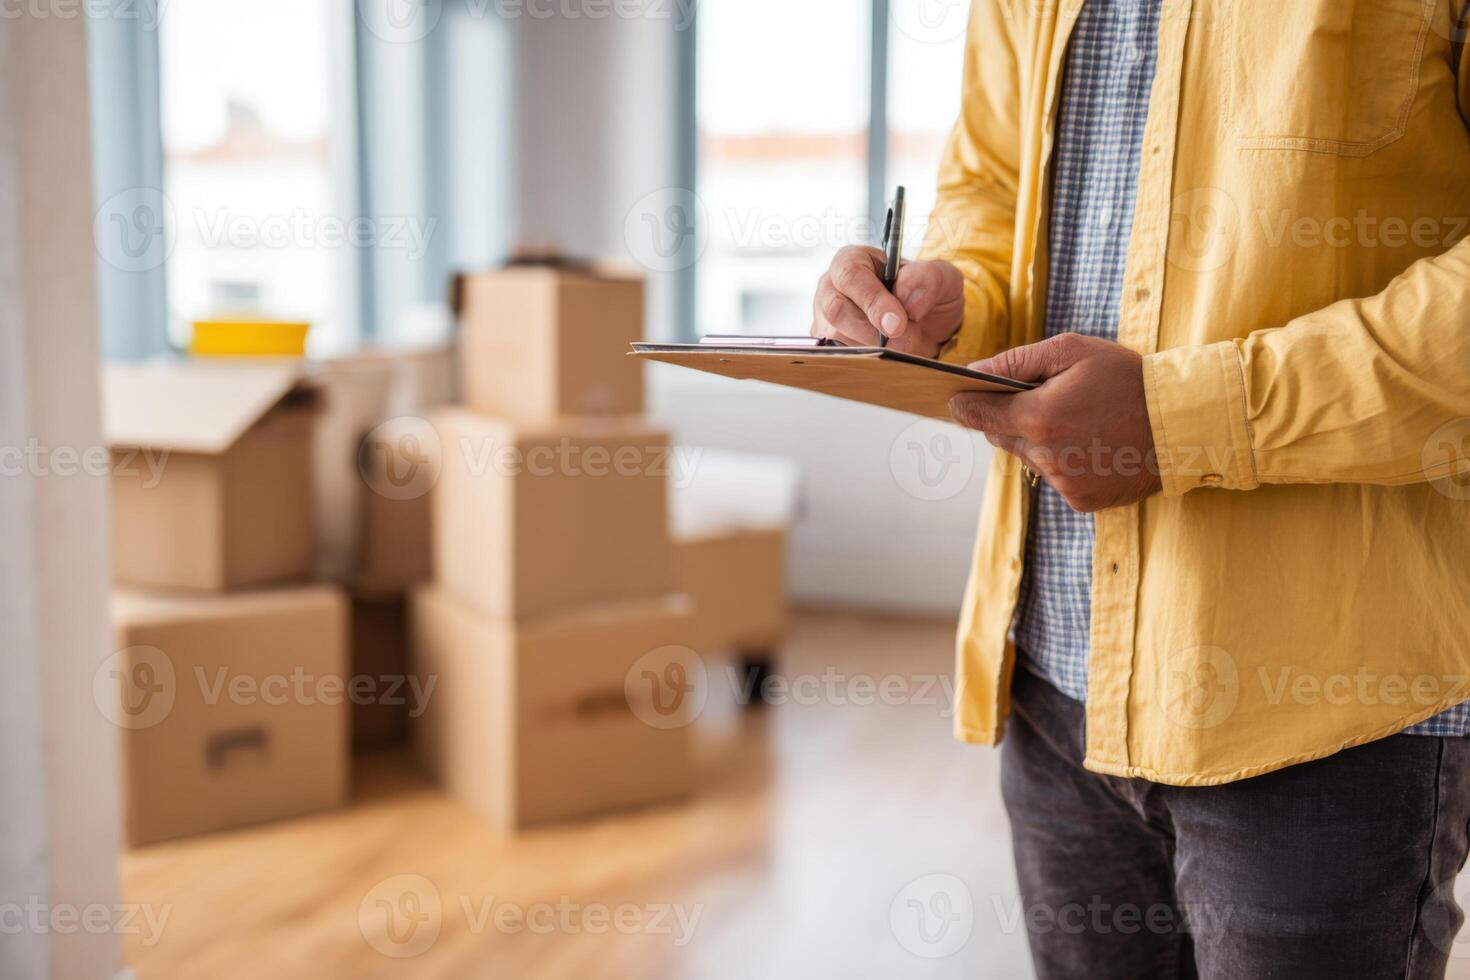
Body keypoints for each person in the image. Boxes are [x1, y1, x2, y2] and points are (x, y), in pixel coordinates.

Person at [812, 0, 1470, 976]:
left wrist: (1180, 417)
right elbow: (990, 189)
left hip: (1331, 711)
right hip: (1054, 676)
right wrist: (942, 302)